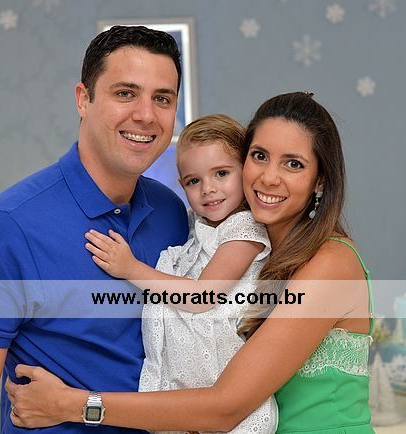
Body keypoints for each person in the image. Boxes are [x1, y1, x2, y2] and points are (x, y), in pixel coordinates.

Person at [6, 91, 375, 433]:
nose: (269, 177)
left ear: (320, 181)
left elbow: (225, 407)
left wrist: (72, 404)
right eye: (260, 156)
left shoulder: (330, 264)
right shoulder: (250, 254)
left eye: (293, 164)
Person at [0, 26, 189, 434]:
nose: (146, 115)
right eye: (125, 93)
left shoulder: (172, 212)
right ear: (83, 100)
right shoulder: (6, 228)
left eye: (162, 98)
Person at [84, 113, 278, 433]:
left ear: (246, 171)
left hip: (226, 394)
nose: (208, 189)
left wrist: (131, 268)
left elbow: (203, 296)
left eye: (221, 173)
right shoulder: (197, 225)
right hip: (189, 388)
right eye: (193, 181)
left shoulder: (243, 230)